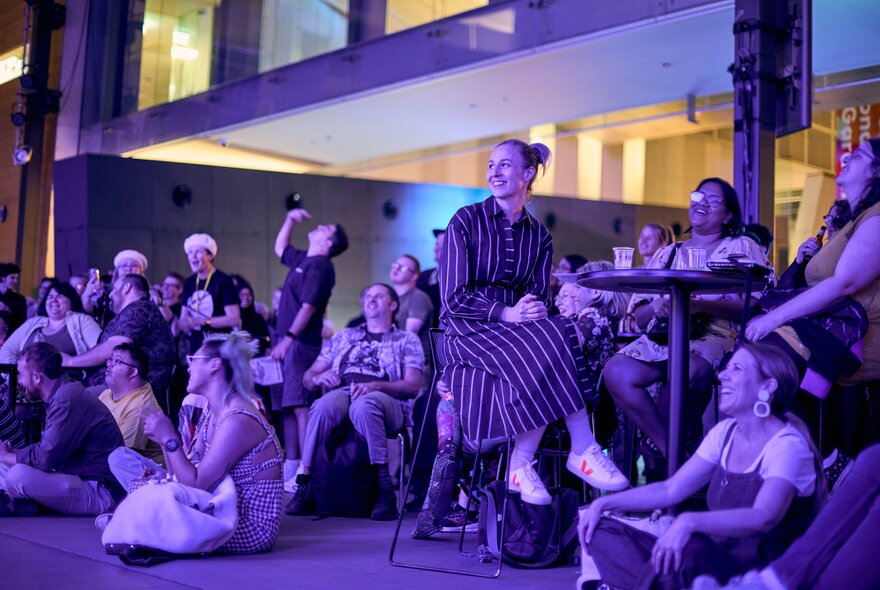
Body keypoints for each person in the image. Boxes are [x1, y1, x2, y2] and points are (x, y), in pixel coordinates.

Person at [440, 139, 628, 507]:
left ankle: (528, 462)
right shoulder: (465, 220)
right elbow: (453, 298)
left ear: (528, 174)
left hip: (518, 334)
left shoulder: (540, 236)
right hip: (467, 331)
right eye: (491, 164)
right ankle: (577, 448)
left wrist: (534, 310)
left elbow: (539, 297)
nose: (494, 171)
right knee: (551, 344)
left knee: (555, 330)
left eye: (505, 165)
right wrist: (506, 313)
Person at [579, 343, 820, 590]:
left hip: (756, 573)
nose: (722, 375)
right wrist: (603, 503)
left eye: (736, 369)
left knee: (688, 548)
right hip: (708, 563)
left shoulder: (788, 446)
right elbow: (670, 490)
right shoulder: (725, 433)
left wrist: (690, 522)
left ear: (768, 386)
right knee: (600, 529)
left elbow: (763, 518)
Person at [602, 177, 774, 462]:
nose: (702, 203)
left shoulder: (741, 246)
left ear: (728, 214)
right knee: (616, 371)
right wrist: (656, 305)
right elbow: (641, 317)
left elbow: (757, 305)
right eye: (698, 197)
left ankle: (667, 453)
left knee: (689, 368)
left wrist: (697, 305)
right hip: (665, 336)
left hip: (717, 335)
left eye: (713, 200)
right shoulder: (668, 253)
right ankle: (671, 449)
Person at [133, 333, 283, 554]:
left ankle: (137, 526)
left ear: (215, 364)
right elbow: (182, 475)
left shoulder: (238, 418)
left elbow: (195, 484)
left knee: (153, 501)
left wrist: (170, 439)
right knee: (144, 487)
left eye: (194, 358)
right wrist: (164, 442)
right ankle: (140, 525)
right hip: (222, 508)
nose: (188, 366)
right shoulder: (214, 410)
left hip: (246, 526)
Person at [286, 283, 423, 521]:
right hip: (345, 391)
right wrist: (319, 377)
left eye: (379, 296)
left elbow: (412, 387)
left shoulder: (406, 339)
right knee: (323, 406)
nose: (371, 300)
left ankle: (384, 490)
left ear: (392, 304)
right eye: (368, 296)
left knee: (365, 404)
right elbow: (308, 377)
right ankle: (305, 482)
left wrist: (375, 386)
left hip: (388, 401)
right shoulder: (345, 336)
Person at [269, 209, 348, 492]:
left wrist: (289, 339)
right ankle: (291, 465)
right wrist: (289, 219)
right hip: (288, 342)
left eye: (326, 228)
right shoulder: (304, 259)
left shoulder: (321, 267)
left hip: (300, 343)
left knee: (301, 406)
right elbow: (280, 248)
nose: (320, 226)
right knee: (288, 407)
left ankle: (306, 471)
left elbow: (309, 306)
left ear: (329, 243)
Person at [0, 343, 125, 516]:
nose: (19, 381)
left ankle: (24, 504)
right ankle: (27, 503)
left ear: (37, 377)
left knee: (17, 475)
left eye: (21, 375)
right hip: (78, 478)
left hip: (100, 490)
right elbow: (48, 451)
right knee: (5, 466)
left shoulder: (66, 399)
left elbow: (46, 458)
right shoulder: (64, 393)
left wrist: (6, 455)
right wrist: (11, 454)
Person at [62, 274, 176, 397]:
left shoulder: (139, 308)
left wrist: (69, 361)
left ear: (126, 288)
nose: (110, 295)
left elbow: (113, 348)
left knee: (69, 400)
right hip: (119, 386)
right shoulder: (135, 310)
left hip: (132, 391)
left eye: (114, 289)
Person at [0, 281, 101, 363]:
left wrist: (72, 362)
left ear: (71, 300)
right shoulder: (33, 322)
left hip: (66, 385)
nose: (54, 300)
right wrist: (16, 376)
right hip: (25, 387)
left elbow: (102, 350)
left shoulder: (82, 320)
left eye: (60, 296)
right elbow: (6, 351)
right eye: (50, 297)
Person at [98, 344, 165, 466]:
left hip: (144, 478)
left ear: (133, 372)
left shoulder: (140, 407)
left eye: (117, 361)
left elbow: (121, 457)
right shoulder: (106, 394)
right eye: (110, 360)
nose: (109, 364)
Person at [178, 233, 241, 355]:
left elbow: (234, 318)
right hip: (195, 346)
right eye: (190, 252)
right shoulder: (189, 283)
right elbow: (183, 318)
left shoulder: (223, 280)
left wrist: (203, 321)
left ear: (210, 256)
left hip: (219, 346)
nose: (193, 256)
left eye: (198, 252)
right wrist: (184, 324)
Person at [416, 229, 446, 328]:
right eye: (437, 243)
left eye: (443, 243)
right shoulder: (425, 276)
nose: (437, 247)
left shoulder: (461, 276)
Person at [0, 263, 27, 332]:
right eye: (12, 277)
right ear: (2, 278)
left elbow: (22, 324)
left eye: (16, 278)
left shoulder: (19, 299)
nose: (16, 281)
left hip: (10, 337)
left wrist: (8, 311)